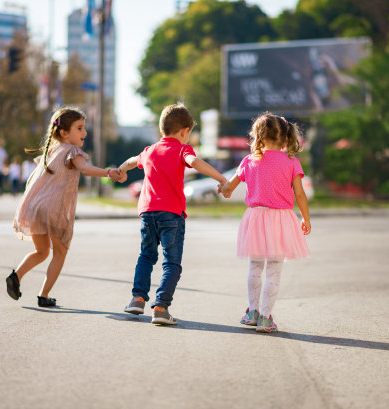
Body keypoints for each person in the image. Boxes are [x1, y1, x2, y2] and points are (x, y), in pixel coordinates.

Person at [118, 103, 227, 325]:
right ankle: (160, 307)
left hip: (148, 214)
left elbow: (131, 161)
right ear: (184, 131)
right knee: (172, 263)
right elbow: (194, 163)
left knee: (146, 256)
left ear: (161, 130)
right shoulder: (182, 149)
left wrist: (120, 171)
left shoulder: (149, 151)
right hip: (171, 215)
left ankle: (137, 299)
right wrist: (222, 179)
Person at [7, 106, 123, 307]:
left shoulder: (51, 150)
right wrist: (108, 172)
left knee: (41, 252)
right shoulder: (72, 151)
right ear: (64, 132)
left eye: (84, 128)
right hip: (53, 209)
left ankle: (16, 276)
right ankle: (43, 296)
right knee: (60, 253)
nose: (84, 133)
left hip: (36, 207)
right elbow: (85, 169)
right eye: (79, 128)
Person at [221, 112, 311, 333]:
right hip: (281, 219)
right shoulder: (291, 162)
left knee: (255, 266)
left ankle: (252, 312)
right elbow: (300, 194)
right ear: (285, 137)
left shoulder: (249, 161)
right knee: (274, 269)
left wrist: (222, 187)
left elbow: (228, 189)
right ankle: (266, 317)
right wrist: (305, 218)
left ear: (258, 136)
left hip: (256, 218)